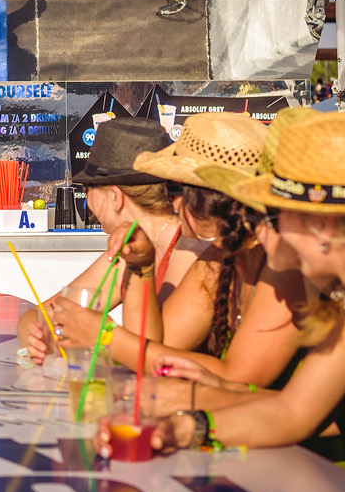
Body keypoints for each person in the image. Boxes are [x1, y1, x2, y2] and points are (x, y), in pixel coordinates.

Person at [115, 113, 345, 492]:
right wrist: (186, 428)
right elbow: (292, 412)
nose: (256, 228)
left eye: (268, 214)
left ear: (323, 228)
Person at [47, 113, 306, 395]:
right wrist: (141, 267)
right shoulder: (219, 259)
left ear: (208, 198)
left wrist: (106, 337)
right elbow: (157, 348)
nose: (168, 200)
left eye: (172, 188)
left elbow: (238, 378)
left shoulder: (284, 267)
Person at [16, 116, 210, 361]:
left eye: (87, 189)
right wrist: (33, 334)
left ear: (115, 197)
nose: (87, 200)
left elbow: (158, 354)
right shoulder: (129, 249)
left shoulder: (191, 250)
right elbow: (42, 314)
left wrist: (101, 335)